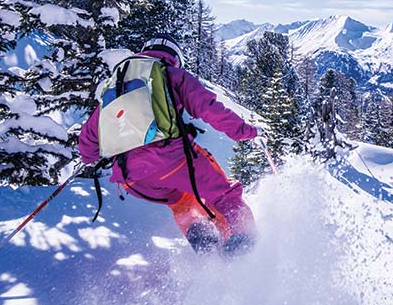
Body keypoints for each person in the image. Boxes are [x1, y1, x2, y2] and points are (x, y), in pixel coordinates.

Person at [78, 34, 265, 254]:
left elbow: (88, 138)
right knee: (224, 194)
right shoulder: (173, 75)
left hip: (132, 179)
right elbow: (209, 108)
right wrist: (246, 132)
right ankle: (247, 248)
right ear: (174, 57)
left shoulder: (118, 87)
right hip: (172, 161)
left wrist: (88, 160)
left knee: (182, 201)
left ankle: (206, 247)